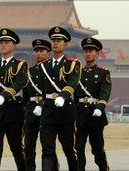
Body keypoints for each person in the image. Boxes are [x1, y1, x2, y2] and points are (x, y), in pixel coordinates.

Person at [37, 26, 80, 171]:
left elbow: (73, 82)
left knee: (68, 150)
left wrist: (63, 96)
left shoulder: (72, 64)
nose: (55, 43)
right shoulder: (44, 66)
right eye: (54, 40)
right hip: (48, 111)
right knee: (47, 149)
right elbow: (43, 90)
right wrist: (41, 104)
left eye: (59, 40)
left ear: (65, 44)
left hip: (65, 112)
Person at [0, 28, 28, 171]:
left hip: (14, 111)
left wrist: (3, 96)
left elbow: (19, 84)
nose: (3, 45)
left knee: (16, 148)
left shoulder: (21, 65)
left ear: (14, 45)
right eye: (1, 42)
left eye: (7, 42)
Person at [74, 37, 111, 171]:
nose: (88, 54)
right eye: (86, 51)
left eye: (91, 51)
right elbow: (75, 96)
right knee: (78, 147)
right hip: (81, 115)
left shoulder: (103, 73)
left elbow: (105, 92)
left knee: (97, 148)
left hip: (96, 115)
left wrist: (100, 107)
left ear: (97, 53)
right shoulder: (78, 73)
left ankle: (103, 167)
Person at [22, 39, 59, 171]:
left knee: (48, 146)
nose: (38, 54)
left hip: (48, 110)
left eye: (41, 51)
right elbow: (26, 95)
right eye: (36, 51)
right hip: (32, 111)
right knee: (29, 145)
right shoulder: (29, 72)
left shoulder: (53, 71)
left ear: (48, 53)